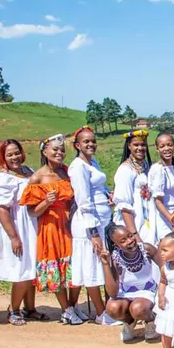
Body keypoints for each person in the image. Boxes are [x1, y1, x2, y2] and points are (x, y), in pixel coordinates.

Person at [19, 134, 80, 325]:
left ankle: (72, 307)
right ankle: (66, 309)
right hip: (51, 226)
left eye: (62, 150)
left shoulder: (67, 172)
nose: (59, 152)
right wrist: (46, 202)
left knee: (75, 265)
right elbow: (32, 212)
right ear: (44, 152)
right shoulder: (37, 177)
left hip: (70, 223)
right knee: (57, 268)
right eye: (55, 149)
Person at [0, 139, 45, 326]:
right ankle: (14, 309)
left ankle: (30, 308)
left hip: (31, 224)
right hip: (16, 226)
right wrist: (14, 237)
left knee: (31, 268)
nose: (15, 157)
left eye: (17, 153)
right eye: (10, 154)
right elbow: (2, 210)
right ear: (3, 157)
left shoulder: (28, 171)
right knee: (21, 269)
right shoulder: (2, 179)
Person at [68, 126, 111, 324]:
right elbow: (83, 200)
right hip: (88, 224)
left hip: (102, 220)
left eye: (93, 141)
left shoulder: (93, 162)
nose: (91, 144)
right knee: (92, 267)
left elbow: (99, 187)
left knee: (101, 265)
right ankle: (101, 313)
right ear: (77, 145)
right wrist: (93, 232)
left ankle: (105, 309)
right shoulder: (78, 167)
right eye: (86, 141)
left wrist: (108, 194)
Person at [101, 223, 162, 342]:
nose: (130, 241)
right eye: (123, 240)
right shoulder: (115, 258)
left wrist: (164, 289)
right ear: (116, 245)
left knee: (138, 308)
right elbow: (113, 293)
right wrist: (106, 264)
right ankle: (129, 322)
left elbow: (164, 267)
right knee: (112, 308)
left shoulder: (146, 249)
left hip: (147, 291)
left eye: (130, 236)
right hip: (126, 292)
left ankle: (150, 321)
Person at [113, 129, 156, 244]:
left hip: (149, 219)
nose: (140, 148)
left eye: (143, 145)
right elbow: (124, 206)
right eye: (136, 145)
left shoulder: (146, 166)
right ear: (129, 146)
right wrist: (134, 235)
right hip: (134, 222)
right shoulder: (125, 170)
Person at [149, 133, 174, 242]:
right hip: (165, 217)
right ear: (157, 149)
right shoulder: (158, 169)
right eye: (162, 146)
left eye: (169, 145)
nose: (167, 149)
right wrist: (172, 220)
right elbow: (158, 201)